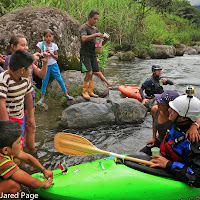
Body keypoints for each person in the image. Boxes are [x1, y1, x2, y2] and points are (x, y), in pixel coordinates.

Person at [5, 34, 49, 154]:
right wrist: (32, 58)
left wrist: (45, 63)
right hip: (17, 97)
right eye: (22, 45)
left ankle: (32, 150)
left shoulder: (29, 61)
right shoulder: (10, 58)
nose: (25, 47)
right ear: (13, 47)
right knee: (21, 127)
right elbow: (11, 70)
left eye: (26, 45)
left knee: (31, 125)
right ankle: (20, 152)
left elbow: (41, 75)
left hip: (30, 95)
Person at [150, 93, 200, 187]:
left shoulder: (195, 140)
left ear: (184, 117)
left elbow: (197, 177)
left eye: (173, 109)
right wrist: (195, 124)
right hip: (167, 160)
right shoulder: (177, 122)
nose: (169, 109)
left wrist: (168, 164)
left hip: (178, 170)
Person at [0, 120, 54, 194]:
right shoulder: (2, 161)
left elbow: (28, 158)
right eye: (19, 141)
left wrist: (44, 170)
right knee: (13, 185)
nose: (22, 142)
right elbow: (32, 183)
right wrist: (44, 184)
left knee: (16, 161)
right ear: (6, 150)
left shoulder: (6, 150)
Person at [36, 29, 73, 105]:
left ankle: (66, 94)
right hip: (45, 66)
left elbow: (56, 57)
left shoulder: (54, 46)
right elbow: (37, 55)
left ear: (52, 36)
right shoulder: (41, 44)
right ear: (44, 37)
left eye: (50, 36)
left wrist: (51, 54)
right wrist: (44, 54)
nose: (48, 38)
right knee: (44, 81)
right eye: (46, 36)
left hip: (54, 65)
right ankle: (42, 98)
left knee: (59, 79)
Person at [80, 10, 108, 100]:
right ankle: (84, 91)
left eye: (97, 19)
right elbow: (83, 39)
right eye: (94, 19)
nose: (96, 21)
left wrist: (105, 40)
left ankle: (90, 91)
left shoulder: (95, 29)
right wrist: (95, 35)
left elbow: (99, 45)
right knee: (89, 72)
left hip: (93, 54)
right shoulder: (84, 27)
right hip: (85, 53)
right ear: (89, 17)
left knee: (93, 73)